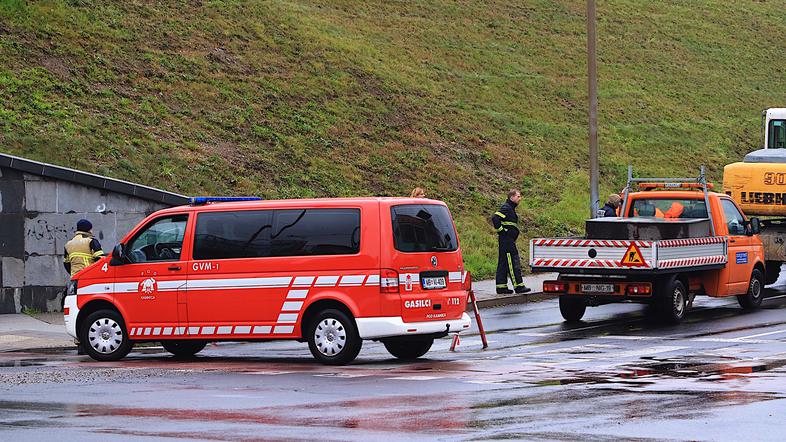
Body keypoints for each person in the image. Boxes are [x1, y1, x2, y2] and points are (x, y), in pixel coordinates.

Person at [491, 189, 531, 295]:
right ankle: (518, 286)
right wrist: (503, 232)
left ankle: (501, 287)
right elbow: (495, 218)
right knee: (512, 262)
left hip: (507, 240)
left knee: (503, 263)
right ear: (511, 197)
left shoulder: (510, 209)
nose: (520, 199)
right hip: (507, 241)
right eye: (518, 196)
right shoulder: (506, 208)